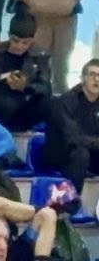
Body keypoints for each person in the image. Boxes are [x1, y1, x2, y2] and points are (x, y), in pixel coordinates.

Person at [0, 15, 51, 135]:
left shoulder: (39, 57)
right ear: (9, 35)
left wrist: (25, 86)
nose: (19, 46)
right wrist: (2, 81)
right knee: (5, 103)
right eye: (15, 41)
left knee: (51, 104)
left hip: (25, 106)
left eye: (25, 43)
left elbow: (45, 88)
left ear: (33, 40)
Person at [38, 57, 99, 192]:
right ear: (82, 78)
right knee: (80, 154)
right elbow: (73, 138)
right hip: (61, 153)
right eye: (92, 74)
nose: (97, 79)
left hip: (91, 152)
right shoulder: (65, 102)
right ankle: (70, 201)